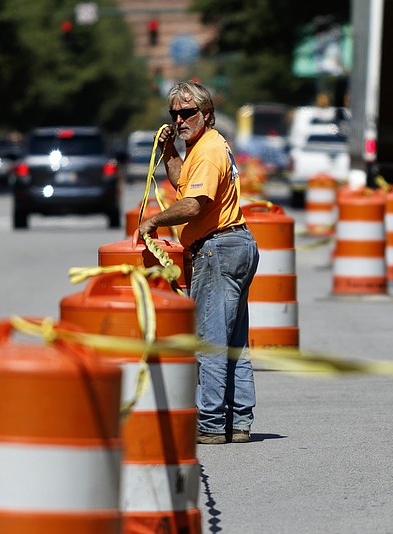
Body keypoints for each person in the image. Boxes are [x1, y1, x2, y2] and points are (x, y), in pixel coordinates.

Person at [138, 81, 259, 445]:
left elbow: (195, 204)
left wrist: (154, 221)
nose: (179, 119)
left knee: (210, 341)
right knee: (233, 341)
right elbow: (184, 186)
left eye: (188, 113)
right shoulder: (204, 146)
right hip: (234, 244)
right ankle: (238, 422)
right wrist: (170, 151)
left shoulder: (207, 150)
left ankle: (210, 424)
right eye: (174, 113)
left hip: (217, 249)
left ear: (206, 113)